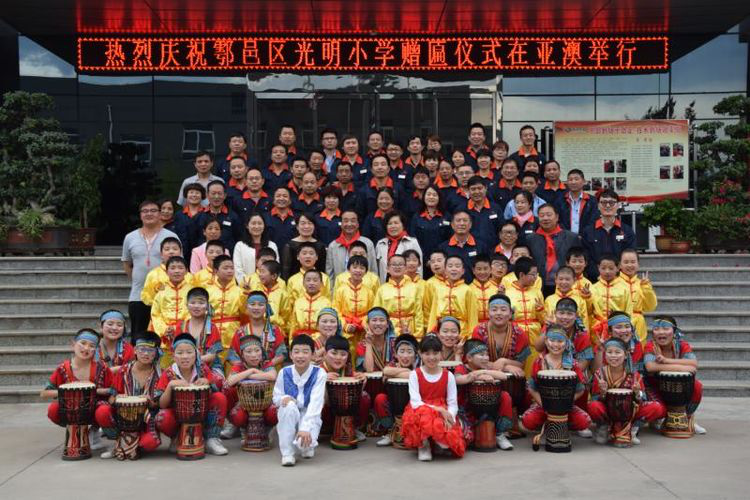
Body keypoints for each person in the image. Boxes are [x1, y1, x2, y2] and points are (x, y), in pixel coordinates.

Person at [41, 329, 113, 454]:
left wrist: (96, 391)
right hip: (71, 409)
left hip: (95, 408)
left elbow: (114, 390)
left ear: (95, 350)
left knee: (104, 411)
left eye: (91, 346)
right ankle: (75, 432)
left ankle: (95, 430)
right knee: (53, 409)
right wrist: (70, 390)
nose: (86, 348)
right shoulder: (63, 368)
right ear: (73, 344)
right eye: (83, 343)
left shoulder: (102, 368)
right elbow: (44, 393)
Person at [155, 333, 229, 456]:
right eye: (180, 353)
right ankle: (177, 437)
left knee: (220, 397)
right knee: (162, 417)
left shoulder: (203, 369)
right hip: (178, 417)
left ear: (196, 354)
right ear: (173, 356)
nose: (185, 357)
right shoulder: (168, 373)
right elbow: (162, 404)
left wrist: (207, 382)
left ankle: (211, 438)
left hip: (201, 415)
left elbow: (215, 392)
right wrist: (170, 386)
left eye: (189, 352)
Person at [98, 331, 164, 458]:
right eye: (142, 349)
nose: (146, 354)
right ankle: (119, 442)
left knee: (150, 443)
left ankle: (129, 445)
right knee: (102, 411)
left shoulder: (161, 374)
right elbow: (111, 399)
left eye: (150, 350)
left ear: (157, 352)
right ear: (135, 350)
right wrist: (118, 398)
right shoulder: (123, 371)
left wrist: (151, 402)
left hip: (147, 419)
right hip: (123, 418)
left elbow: (162, 404)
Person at [589, 337, 665, 446]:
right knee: (593, 406)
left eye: (617, 352)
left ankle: (632, 428)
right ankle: (604, 427)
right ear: (605, 355)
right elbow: (595, 399)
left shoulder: (634, 375)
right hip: (608, 412)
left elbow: (642, 399)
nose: (613, 356)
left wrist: (637, 392)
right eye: (609, 352)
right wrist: (603, 392)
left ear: (625, 355)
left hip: (629, 413)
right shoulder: (600, 374)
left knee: (657, 408)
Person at [521, 325, 591, 440]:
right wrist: (545, 405)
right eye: (552, 340)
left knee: (584, 421)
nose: (556, 344)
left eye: (560, 341)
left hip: (566, 407)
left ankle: (562, 424)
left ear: (566, 342)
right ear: (546, 341)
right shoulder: (539, 362)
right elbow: (532, 388)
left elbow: (580, 389)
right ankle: (548, 423)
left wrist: (564, 404)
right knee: (528, 420)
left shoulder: (572, 364)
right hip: (544, 405)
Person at [402, 335, 466, 461]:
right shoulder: (415, 374)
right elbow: (416, 402)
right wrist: (438, 409)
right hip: (420, 410)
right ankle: (424, 444)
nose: (431, 357)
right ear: (420, 354)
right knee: (424, 416)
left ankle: (436, 441)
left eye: (435, 353)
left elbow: (452, 403)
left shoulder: (448, 375)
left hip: (442, 411)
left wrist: (450, 418)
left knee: (446, 443)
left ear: (441, 353)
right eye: (427, 353)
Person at [122, 200, 179, 334]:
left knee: (164, 335)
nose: (149, 214)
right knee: (139, 336)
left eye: (153, 211)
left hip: (166, 296)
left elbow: (178, 263)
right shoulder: (130, 237)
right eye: (145, 211)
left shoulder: (171, 236)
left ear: (160, 214)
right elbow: (127, 263)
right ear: (140, 215)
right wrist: (138, 280)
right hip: (138, 296)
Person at [644, 316, 705, 434]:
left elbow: (693, 363)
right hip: (653, 385)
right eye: (656, 329)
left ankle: (687, 417)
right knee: (659, 409)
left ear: (674, 331)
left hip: (677, 386)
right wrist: (682, 367)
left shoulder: (682, 345)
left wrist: (666, 361)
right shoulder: (651, 345)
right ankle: (658, 419)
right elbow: (650, 367)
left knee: (697, 386)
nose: (661, 332)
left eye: (666, 328)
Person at [272, 334, 326, 466]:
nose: (300, 356)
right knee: (288, 406)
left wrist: (305, 427)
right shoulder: (284, 372)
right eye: (296, 352)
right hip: (291, 413)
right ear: (290, 355)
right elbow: (276, 397)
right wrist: (284, 398)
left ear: (313, 354)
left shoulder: (320, 373)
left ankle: (305, 445)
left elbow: (316, 402)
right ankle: (287, 453)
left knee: (304, 447)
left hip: (309, 414)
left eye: (305, 352)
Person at [454, 339, 514, 450]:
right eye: (481, 355)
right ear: (469, 358)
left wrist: (483, 372)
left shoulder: (486, 367)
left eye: (487, 354)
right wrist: (476, 376)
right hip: (466, 409)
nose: (486, 358)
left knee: (505, 396)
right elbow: (457, 379)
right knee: (465, 437)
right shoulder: (461, 367)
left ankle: (499, 434)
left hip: (489, 405)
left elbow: (504, 376)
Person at [224, 334, 279, 443]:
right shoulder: (239, 365)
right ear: (242, 354)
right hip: (245, 404)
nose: (254, 355)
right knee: (237, 415)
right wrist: (251, 370)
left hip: (266, 402)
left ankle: (268, 428)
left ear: (262, 351)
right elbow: (230, 381)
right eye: (249, 351)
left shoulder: (266, 363)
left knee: (274, 413)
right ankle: (243, 428)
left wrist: (248, 375)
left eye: (257, 350)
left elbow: (272, 376)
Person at [374, 333, 420, 446]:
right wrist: (407, 372)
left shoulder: (419, 366)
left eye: (409, 352)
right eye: (402, 351)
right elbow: (386, 371)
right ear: (395, 354)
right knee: (380, 399)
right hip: (393, 405)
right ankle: (391, 431)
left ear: (415, 354)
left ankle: (410, 432)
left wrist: (397, 373)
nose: (405, 356)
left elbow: (412, 375)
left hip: (413, 404)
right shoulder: (393, 364)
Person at [527, 204, 582, 296]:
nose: (545, 218)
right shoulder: (531, 239)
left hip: (565, 284)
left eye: (549, 215)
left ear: (557, 217)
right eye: (542, 215)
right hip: (538, 285)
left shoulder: (571, 237)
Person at [502, 257, 545, 374]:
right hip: (514, 337)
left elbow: (543, 320)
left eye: (536, 274)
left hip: (534, 338)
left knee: (533, 370)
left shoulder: (537, 292)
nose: (535, 278)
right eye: (533, 274)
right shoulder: (507, 293)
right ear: (521, 274)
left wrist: (540, 310)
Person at [581, 189, 636, 280]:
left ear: (618, 205)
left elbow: (630, 257)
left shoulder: (627, 231)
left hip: (621, 281)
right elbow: (586, 258)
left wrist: (616, 276)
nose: (607, 206)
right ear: (598, 206)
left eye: (611, 203)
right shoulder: (588, 231)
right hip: (595, 281)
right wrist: (599, 275)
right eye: (603, 202)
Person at [173, 287, 224, 382]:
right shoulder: (181, 326)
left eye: (201, 303)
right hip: (184, 366)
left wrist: (192, 360)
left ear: (207, 305)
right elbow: (176, 351)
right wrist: (187, 361)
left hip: (209, 367)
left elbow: (211, 355)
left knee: (217, 381)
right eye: (193, 303)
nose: (196, 306)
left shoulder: (212, 327)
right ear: (187, 305)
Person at [471, 294, 529, 374]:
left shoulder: (519, 333)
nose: (498, 313)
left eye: (503, 309)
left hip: (511, 378)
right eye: (494, 310)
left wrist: (504, 361)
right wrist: (506, 367)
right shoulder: (479, 331)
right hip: (484, 375)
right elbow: (476, 361)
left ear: (510, 314)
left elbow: (521, 364)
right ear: (488, 313)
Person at [149, 256, 192, 361]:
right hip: (164, 336)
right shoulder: (161, 292)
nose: (177, 271)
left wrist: (179, 328)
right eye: (172, 268)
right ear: (167, 271)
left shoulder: (192, 290)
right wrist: (164, 329)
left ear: (187, 271)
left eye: (180, 268)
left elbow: (193, 312)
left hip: (186, 333)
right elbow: (155, 314)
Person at [373, 254, 424, 338]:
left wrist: (418, 334)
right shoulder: (382, 289)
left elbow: (419, 313)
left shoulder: (414, 288)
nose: (397, 267)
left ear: (405, 268)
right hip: (388, 329)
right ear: (388, 268)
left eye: (400, 264)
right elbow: (377, 313)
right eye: (394, 264)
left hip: (410, 328)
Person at [427, 255, 478, 337]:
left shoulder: (468, 290)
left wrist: (472, 337)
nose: (454, 269)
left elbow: (472, 317)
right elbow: (433, 315)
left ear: (463, 271)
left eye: (457, 266)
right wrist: (430, 334)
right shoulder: (438, 289)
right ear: (445, 270)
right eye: (450, 266)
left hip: (462, 333)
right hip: (441, 332)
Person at [333, 255, 376, 353]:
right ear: (349, 269)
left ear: (366, 271)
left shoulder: (369, 292)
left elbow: (372, 312)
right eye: (355, 267)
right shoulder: (341, 290)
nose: (358, 270)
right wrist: (345, 325)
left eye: (362, 268)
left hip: (363, 331)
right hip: (345, 331)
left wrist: (362, 323)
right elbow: (336, 311)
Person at [325, 210, 377, 287]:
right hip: (340, 290)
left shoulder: (368, 243)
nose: (349, 224)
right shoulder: (333, 246)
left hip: (364, 290)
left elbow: (373, 270)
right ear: (341, 224)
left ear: (358, 224)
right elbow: (330, 274)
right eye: (346, 221)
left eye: (353, 221)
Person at [589, 254, 633, 345]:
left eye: (611, 268)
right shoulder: (592, 288)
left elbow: (628, 311)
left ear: (618, 268)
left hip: (618, 328)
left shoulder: (625, 288)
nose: (607, 271)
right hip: (597, 327)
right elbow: (589, 311)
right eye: (603, 268)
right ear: (598, 268)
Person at [408, 185, 451, 277]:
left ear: (439, 198)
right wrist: (425, 260)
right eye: (428, 194)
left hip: (442, 263)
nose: (431, 197)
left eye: (434, 195)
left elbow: (450, 239)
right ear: (424, 197)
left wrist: (440, 260)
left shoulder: (447, 216)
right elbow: (413, 240)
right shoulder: (417, 217)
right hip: (422, 261)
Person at [192, 180, 243, 254]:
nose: (216, 196)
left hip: (227, 257)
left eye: (219, 193)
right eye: (213, 193)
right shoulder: (199, 217)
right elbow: (193, 240)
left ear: (225, 195)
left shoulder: (233, 217)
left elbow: (239, 239)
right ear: (207, 195)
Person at [205, 256, 244, 352]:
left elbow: (245, 313)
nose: (230, 271)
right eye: (225, 268)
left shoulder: (240, 291)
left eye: (232, 268)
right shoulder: (207, 291)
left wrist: (246, 294)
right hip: (211, 332)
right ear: (216, 271)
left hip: (233, 332)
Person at [619, 249, 658, 344]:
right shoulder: (614, 283)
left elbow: (650, 307)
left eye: (633, 262)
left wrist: (646, 288)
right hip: (620, 323)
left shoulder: (643, 283)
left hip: (638, 324)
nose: (629, 265)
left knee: (639, 349)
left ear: (638, 264)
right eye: (626, 262)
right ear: (619, 265)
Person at [438, 211, 486, 283]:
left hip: (474, 287)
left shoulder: (481, 246)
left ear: (470, 224)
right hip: (450, 287)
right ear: (452, 225)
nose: (462, 223)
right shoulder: (443, 247)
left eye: (465, 220)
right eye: (458, 220)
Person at [374, 211, 422, 282]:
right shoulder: (380, 244)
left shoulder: (412, 242)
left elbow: (419, 268)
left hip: (408, 285)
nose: (393, 226)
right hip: (385, 284)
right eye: (389, 224)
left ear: (403, 225)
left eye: (396, 223)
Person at [232, 213, 279, 284]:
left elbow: (276, 267)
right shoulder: (240, 245)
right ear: (247, 226)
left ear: (264, 226)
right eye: (253, 223)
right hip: (247, 285)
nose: (257, 226)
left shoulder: (272, 245)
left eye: (260, 223)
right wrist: (246, 283)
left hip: (268, 285)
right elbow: (238, 269)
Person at [280, 213, 327, 281]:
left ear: (314, 226)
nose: (306, 226)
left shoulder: (320, 246)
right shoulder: (289, 245)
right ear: (297, 227)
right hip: (294, 283)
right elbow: (285, 270)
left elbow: (322, 269)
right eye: (303, 223)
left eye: (310, 223)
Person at [288, 270, 332, 339]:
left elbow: (329, 326)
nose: (311, 283)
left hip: (320, 340)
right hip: (300, 340)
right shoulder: (298, 302)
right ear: (303, 283)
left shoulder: (327, 303)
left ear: (321, 283)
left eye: (315, 280)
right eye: (308, 280)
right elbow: (293, 325)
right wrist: (291, 341)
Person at [465, 176, 503, 251]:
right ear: (468, 191)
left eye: (480, 188)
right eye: (473, 189)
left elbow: (502, 229)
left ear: (486, 188)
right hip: (471, 250)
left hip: (493, 250)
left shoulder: (495, 208)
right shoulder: (462, 209)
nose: (477, 192)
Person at [356, 307, 398, 372]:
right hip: (371, 379)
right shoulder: (362, 345)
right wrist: (369, 343)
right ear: (368, 324)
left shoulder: (395, 343)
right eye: (374, 320)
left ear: (387, 324)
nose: (378, 323)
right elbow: (369, 369)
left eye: (382, 320)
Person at [558, 169, 599, 234]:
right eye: (570, 180)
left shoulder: (592, 201)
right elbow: (559, 221)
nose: (573, 182)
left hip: (586, 237)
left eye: (576, 179)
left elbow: (593, 221)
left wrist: (583, 235)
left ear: (584, 181)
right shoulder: (560, 200)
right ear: (567, 182)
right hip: (566, 237)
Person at [96, 310, 134, 374]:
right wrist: (120, 368)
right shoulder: (93, 347)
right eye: (110, 324)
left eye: (119, 325)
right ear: (101, 326)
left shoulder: (129, 349)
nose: (114, 328)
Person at [175, 183, 205, 257]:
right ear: (186, 195)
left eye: (197, 193)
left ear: (202, 196)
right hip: (182, 254)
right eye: (191, 192)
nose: (194, 195)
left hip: (202, 253)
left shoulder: (207, 213)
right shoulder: (179, 215)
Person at [469, 254, 498, 324]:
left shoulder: (497, 289)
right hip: (474, 325)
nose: (482, 272)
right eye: (479, 269)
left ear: (491, 270)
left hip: (493, 326)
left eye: (485, 268)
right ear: (473, 270)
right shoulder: (468, 289)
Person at [267, 187, 296, 253]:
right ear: (273, 200)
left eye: (285, 196)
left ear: (290, 200)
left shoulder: (298, 218)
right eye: (278, 196)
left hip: (293, 254)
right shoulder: (265, 217)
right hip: (271, 254)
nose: (281, 198)